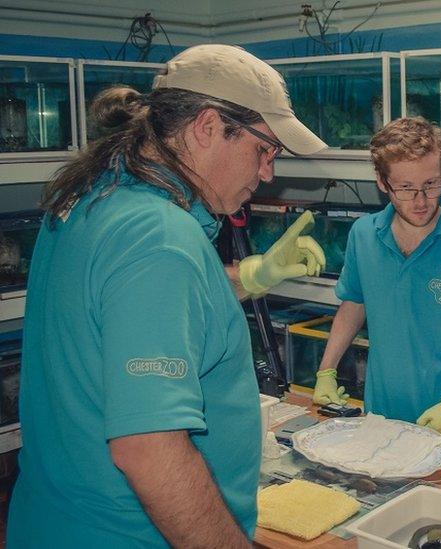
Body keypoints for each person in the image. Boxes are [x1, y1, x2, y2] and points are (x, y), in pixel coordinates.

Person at [8, 44, 328, 546]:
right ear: (206, 127)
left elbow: (127, 305)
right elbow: (149, 451)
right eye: (265, 149)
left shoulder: (93, 195)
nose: (268, 172)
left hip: (54, 519)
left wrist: (255, 274)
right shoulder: (160, 239)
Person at [312, 117, 441, 443]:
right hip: (380, 419)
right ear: (382, 182)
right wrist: (326, 369)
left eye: (432, 184)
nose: (420, 201)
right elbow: (354, 302)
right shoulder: (364, 236)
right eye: (405, 188)